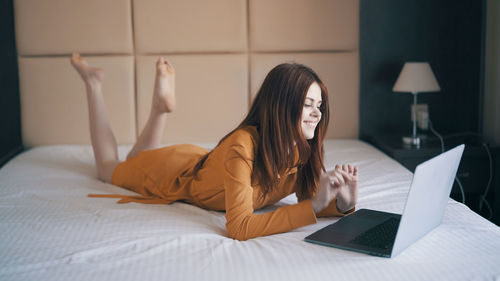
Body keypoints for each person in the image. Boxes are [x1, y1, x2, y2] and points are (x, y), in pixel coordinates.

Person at [70, 53, 359, 241]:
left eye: (319, 106)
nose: (317, 114)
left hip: (201, 161)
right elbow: (239, 227)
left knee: (134, 158)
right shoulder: (243, 146)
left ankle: (159, 110)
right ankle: (93, 85)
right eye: (307, 104)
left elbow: (310, 202)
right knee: (108, 167)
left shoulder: (300, 148)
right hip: (172, 172)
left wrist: (343, 203)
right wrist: (314, 206)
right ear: (280, 107)